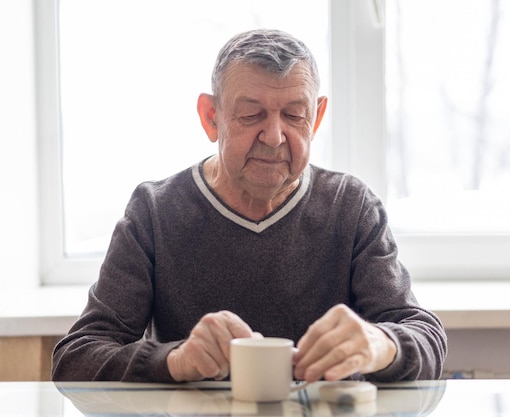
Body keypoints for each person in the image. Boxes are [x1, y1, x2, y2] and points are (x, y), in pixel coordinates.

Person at [51, 29, 447, 383]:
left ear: (317, 117)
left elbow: (424, 335)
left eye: (295, 115)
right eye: (250, 114)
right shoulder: (155, 212)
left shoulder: (351, 207)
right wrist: (176, 360)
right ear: (212, 118)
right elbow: (76, 357)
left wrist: (381, 343)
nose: (274, 136)